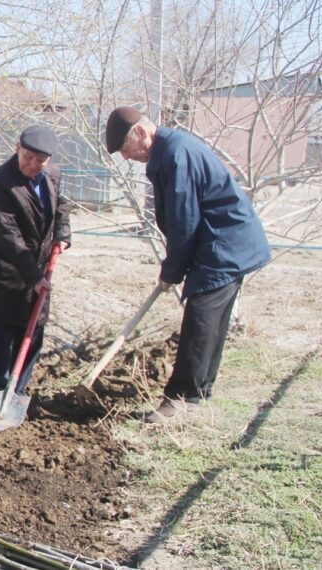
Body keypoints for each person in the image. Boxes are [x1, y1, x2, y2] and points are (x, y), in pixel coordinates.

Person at [104, 106, 271, 423]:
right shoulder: (168, 151)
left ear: (141, 132)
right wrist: (175, 268)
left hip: (224, 244)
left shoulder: (177, 153)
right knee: (212, 320)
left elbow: (185, 220)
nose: (127, 157)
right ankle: (199, 392)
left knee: (202, 319)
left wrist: (172, 270)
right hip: (221, 243)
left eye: (126, 149)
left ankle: (181, 398)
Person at [0, 125, 71, 406]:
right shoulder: (0, 182)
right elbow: (8, 236)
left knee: (31, 333)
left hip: (39, 270)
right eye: (27, 156)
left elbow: (62, 207)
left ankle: (16, 393)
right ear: (17, 147)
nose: (32, 164)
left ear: (48, 160)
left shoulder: (53, 175)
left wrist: (63, 236)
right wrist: (34, 275)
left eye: (39, 160)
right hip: (6, 272)